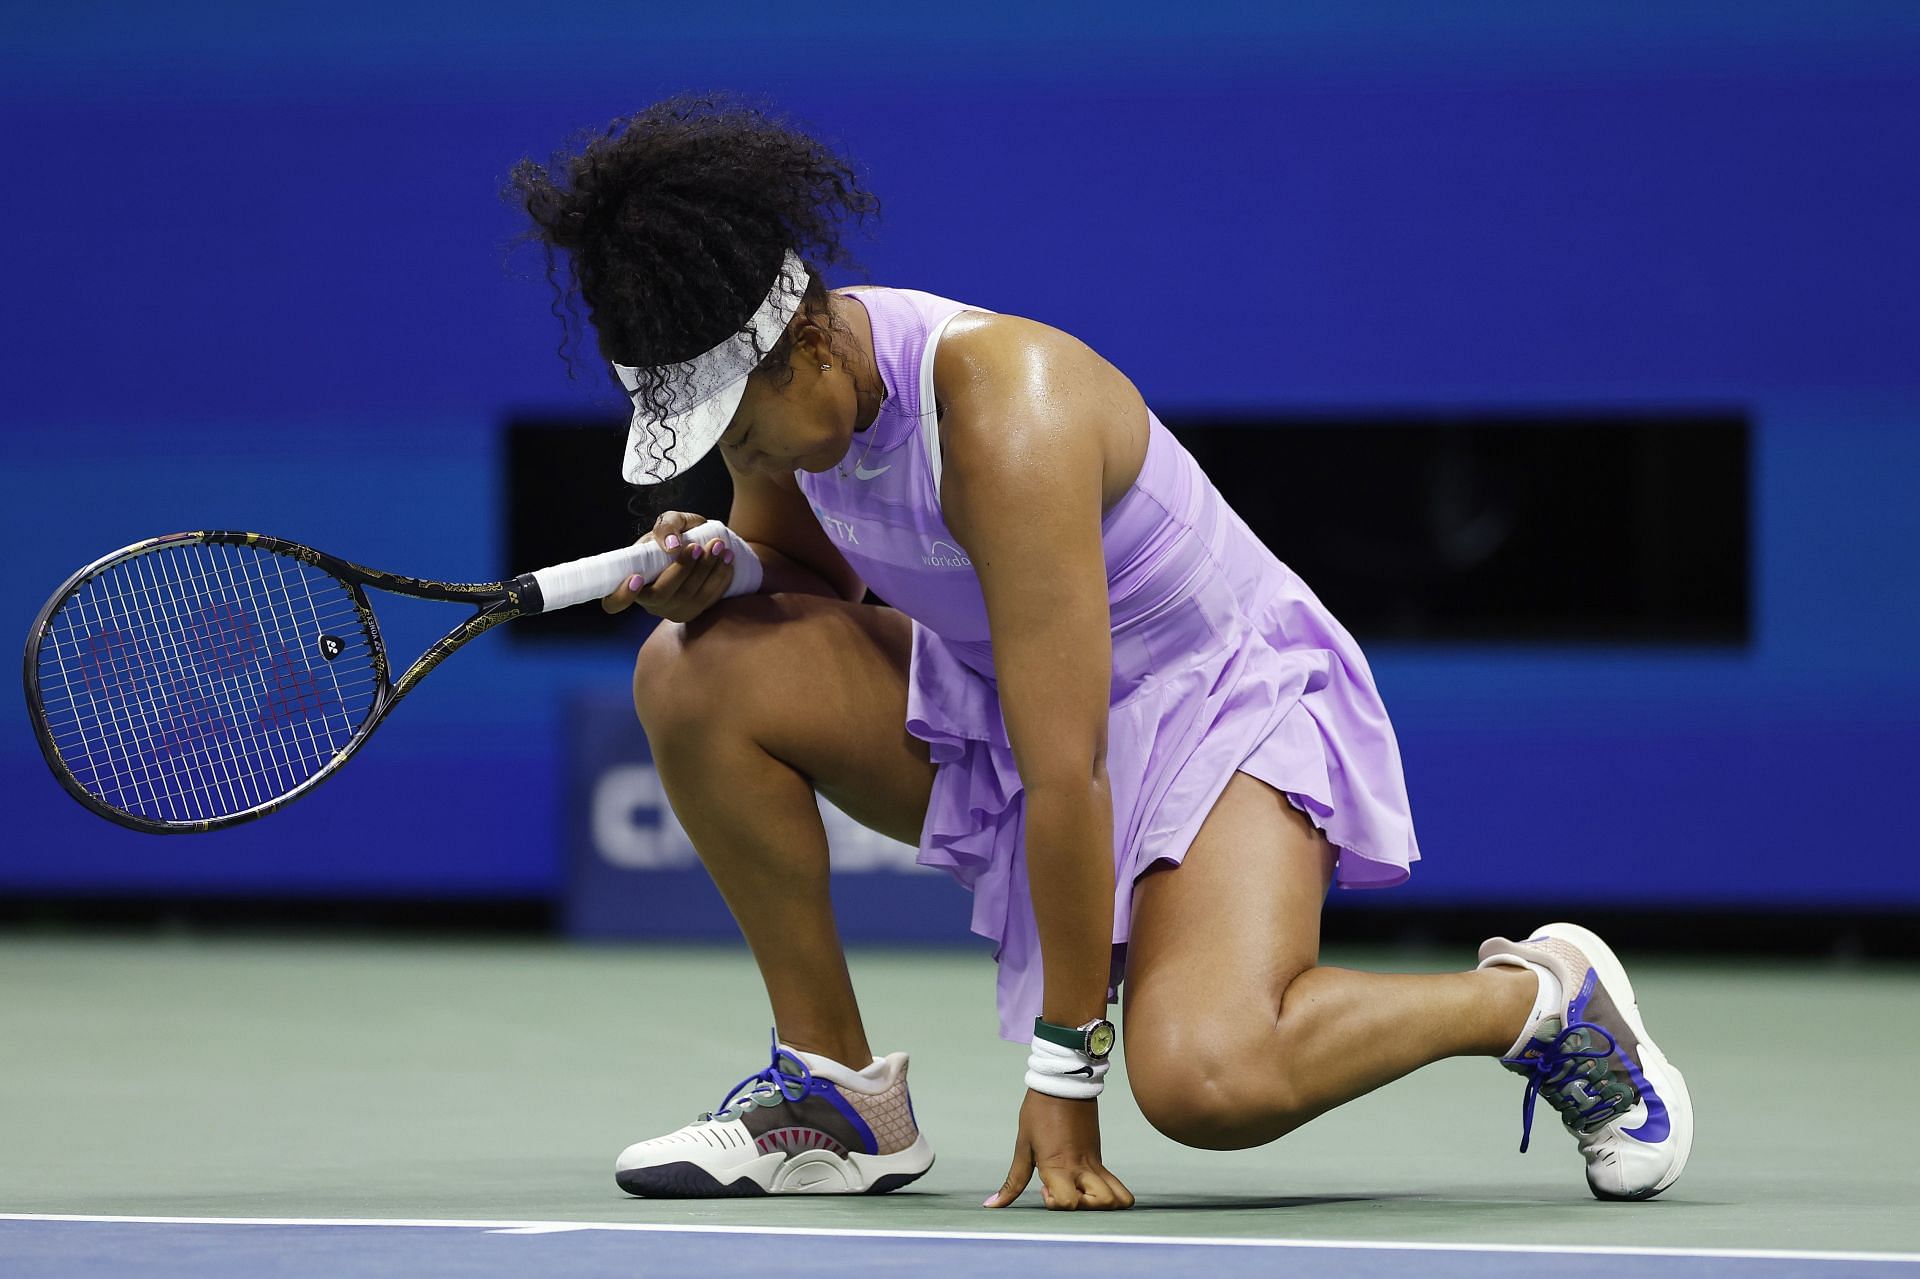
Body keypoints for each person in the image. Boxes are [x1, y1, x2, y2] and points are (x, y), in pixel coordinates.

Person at [504, 92, 1693, 1210]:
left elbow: (1064, 764)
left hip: (1212, 708)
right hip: (1011, 701)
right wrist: (724, 576)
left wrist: (1066, 1075)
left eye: (743, 424)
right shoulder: (788, 420)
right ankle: (837, 1095)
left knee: (1205, 1081)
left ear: (804, 338)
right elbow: (808, 581)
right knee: (694, 666)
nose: (746, 454)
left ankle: (1538, 1004)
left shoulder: (1004, 410)